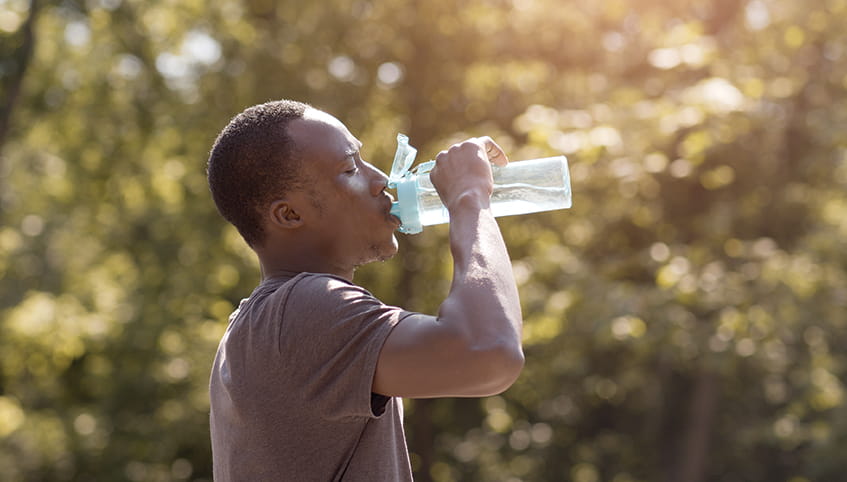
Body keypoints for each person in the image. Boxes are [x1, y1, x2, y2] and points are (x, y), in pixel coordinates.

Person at [206, 99, 524, 481]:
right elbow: (490, 352)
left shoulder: (255, 326)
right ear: (290, 214)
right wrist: (469, 198)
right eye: (350, 169)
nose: (381, 180)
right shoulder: (302, 309)